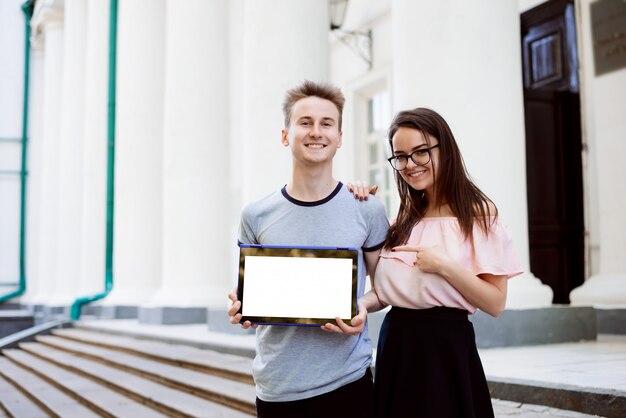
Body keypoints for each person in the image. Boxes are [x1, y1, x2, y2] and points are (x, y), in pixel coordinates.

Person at [227, 80, 389, 418]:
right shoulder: (255, 215)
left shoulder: (367, 209)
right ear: (286, 135)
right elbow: (252, 292)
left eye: (326, 123)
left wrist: (361, 305)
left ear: (340, 137)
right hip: (277, 388)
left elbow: (386, 288)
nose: (316, 132)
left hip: (348, 384)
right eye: (305, 122)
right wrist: (242, 306)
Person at [353, 108, 522, 418]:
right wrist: (359, 208)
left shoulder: (479, 214)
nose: (410, 165)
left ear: (445, 148)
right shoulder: (403, 218)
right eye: (400, 157)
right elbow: (384, 291)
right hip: (397, 346)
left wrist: (446, 266)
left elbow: (496, 303)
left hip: (446, 350)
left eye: (420, 152)